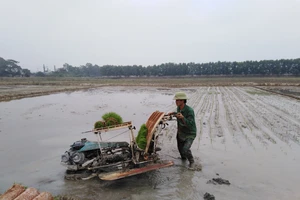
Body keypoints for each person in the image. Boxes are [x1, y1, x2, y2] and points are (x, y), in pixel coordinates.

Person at [169, 92, 197, 169]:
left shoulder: (189, 110)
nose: (176, 102)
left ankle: (192, 162)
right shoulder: (178, 108)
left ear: (183, 101)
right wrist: (173, 114)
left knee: (186, 149)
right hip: (181, 132)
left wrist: (182, 118)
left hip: (190, 133)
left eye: (178, 100)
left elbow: (191, 124)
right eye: (176, 100)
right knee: (181, 149)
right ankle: (183, 159)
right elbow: (178, 114)